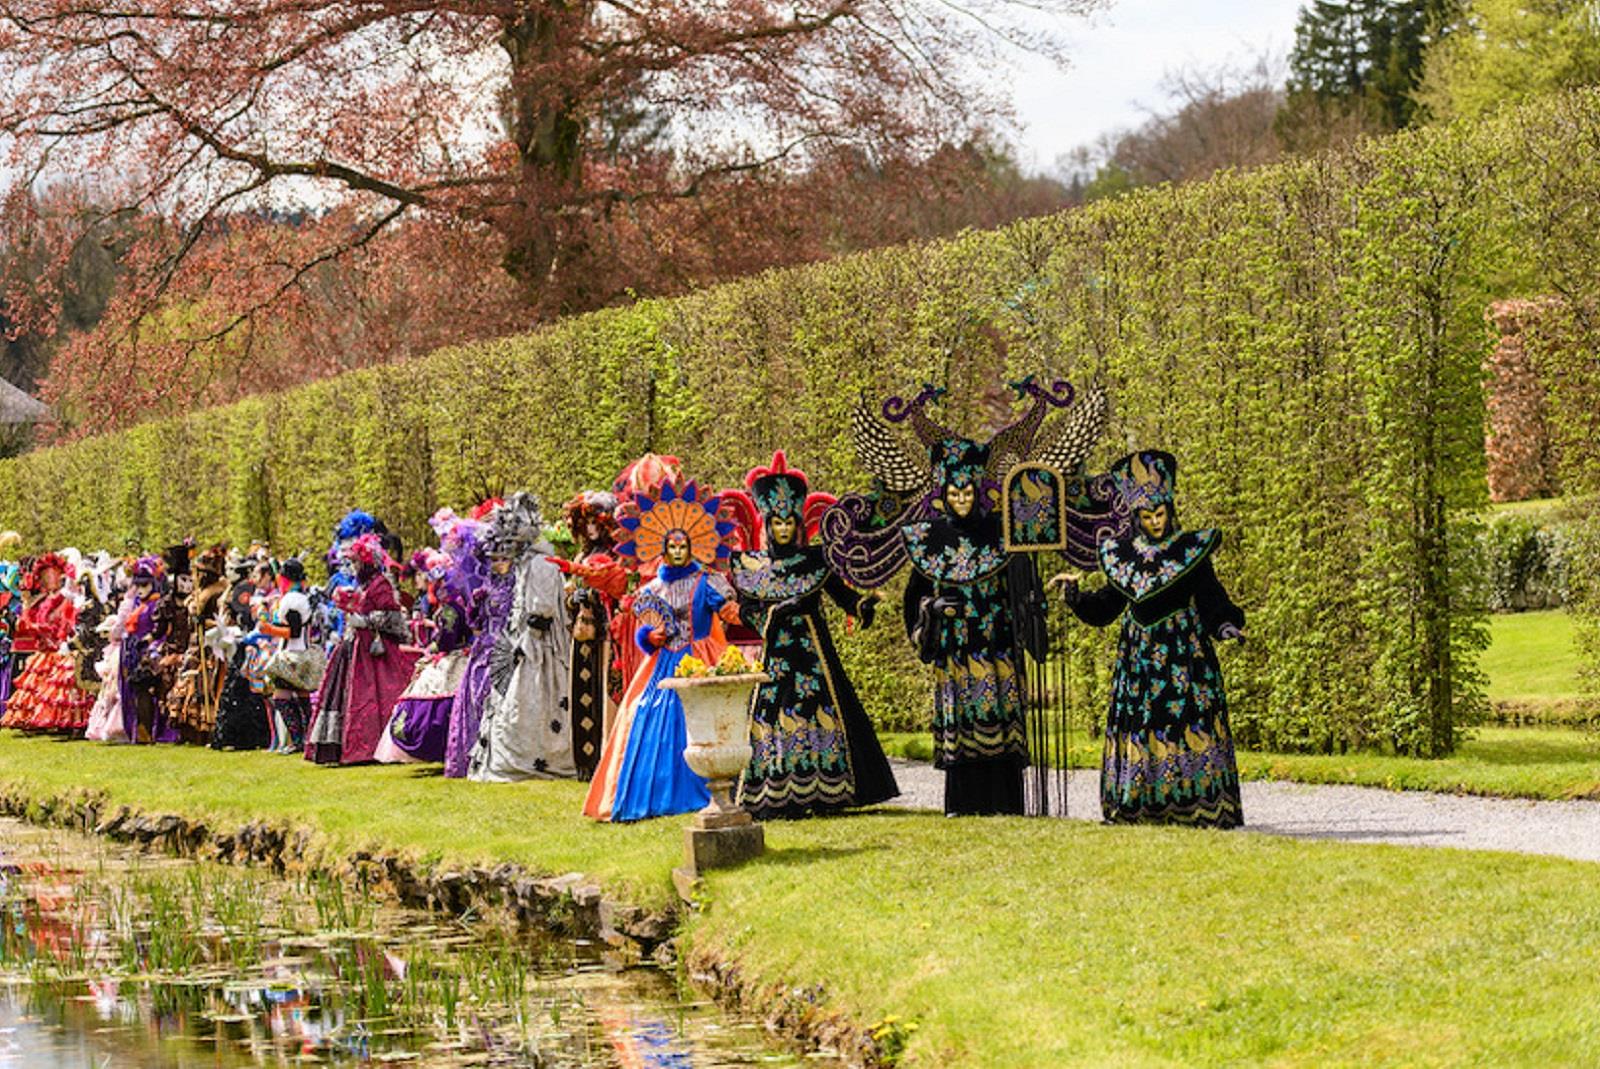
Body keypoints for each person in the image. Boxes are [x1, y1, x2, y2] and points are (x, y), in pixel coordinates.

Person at [1054, 450, 1247, 828]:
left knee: (1185, 723)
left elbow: (1211, 596)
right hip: (1139, 660)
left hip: (1183, 655)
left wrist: (1225, 625)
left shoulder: (1190, 552)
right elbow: (1108, 606)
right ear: (1136, 517)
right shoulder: (1122, 556)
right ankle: (1139, 803)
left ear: (1170, 510)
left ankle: (1193, 804)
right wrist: (1076, 599)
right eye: (1147, 516)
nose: (1155, 522)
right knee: (1142, 725)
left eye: (1160, 514)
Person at [731, 451, 899, 818]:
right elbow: (745, 608)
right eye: (776, 523)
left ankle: (826, 788)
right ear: (767, 524)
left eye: (789, 523)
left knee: (819, 709)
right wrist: (772, 615)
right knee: (772, 714)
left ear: (798, 523)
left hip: (813, 655)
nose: (783, 530)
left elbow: (841, 594)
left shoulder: (816, 560)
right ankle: (776, 787)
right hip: (774, 656)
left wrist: (861, 606)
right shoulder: (751, 566)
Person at [584, 478, 740, 822]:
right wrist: (647, 637)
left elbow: (728, 606)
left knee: (699, 717)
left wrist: (731, 608)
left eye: (684, 546)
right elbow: (642, 626)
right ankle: (650, 791)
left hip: (700, 660)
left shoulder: (707, 580)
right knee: (646, 712)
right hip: (663, 663)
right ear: (663, 549)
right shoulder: (652, 588)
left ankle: (707, 786)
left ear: (694, 547)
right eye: (673, 546)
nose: (679, 552)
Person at [902, 438, 1030, 815]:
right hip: (955, 651)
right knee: (964, 724)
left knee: (1000, 722)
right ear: (945, 493)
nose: (962, 499)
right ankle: (961, 802)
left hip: (997, 646)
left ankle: (1007, 801)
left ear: (979, 491)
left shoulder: (1001, 531)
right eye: (955, 493)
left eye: (968, 492)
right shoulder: (929, 539)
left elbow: (1020, 585)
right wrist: (933, 609)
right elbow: (914, 597)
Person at [468, 492, 577, 781]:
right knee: (516, 702)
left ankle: (538, 758)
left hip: (540, 649)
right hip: (525, 642)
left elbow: (541, 611)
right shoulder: (528, 564)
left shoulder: (540, 564)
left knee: (532, 699)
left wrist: (526, 642)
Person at [305, 533, 418, 764]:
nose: (354, 566)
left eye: (357, 562)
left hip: (375, 652)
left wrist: (365, 620)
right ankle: (345, 747)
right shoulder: (363, 584)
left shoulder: (381, 584)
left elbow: (393, 616)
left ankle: (374, 746)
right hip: (354, 645)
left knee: (375, 696)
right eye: (352, 562)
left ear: (368, 562)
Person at [1, 553, 94, 732]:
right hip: (43, 648)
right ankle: (35, 719)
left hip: (56, 648)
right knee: (37, 688)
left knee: (55, 689)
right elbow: (31, 623)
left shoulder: (63, 600)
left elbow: (63, 623)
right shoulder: (42, 601)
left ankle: (61, 721)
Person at [259, 558, 326, 753]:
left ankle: (299, 740)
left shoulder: (292, 600)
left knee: (281, 696)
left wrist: (269, 629)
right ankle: (307, 738)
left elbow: (293, 631)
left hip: (292, 655)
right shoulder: (301, 598)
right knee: (302, 696)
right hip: (302, 653)